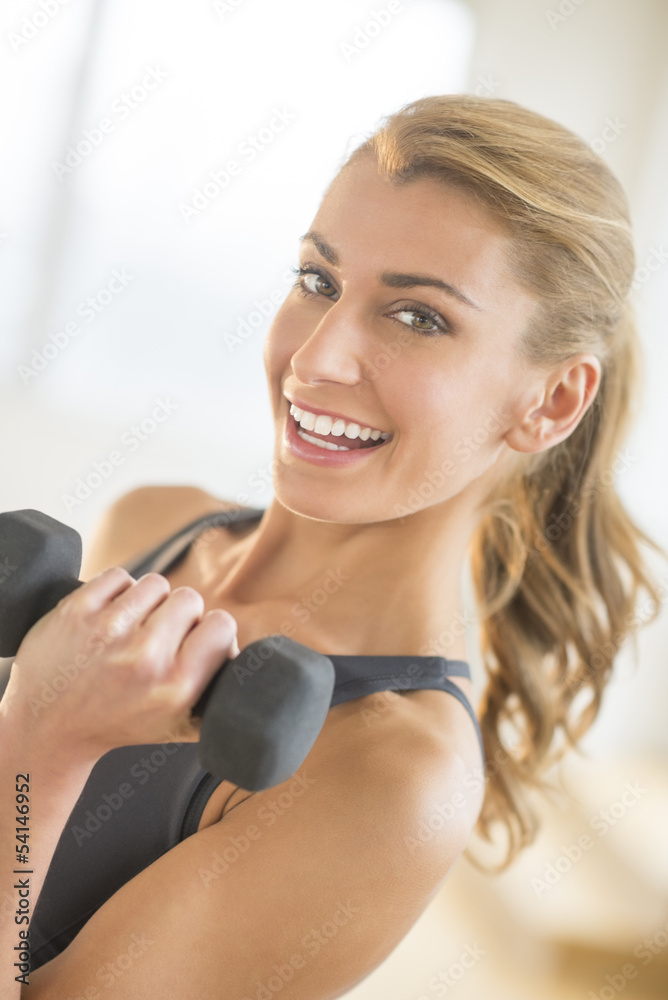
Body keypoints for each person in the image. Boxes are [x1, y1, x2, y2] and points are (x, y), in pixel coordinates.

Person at [1, 94, 665, 998]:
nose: (317, 358)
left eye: (418, 317)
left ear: (549, 403)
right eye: (319, 279)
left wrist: (42, 741)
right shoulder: (152, 525)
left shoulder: (394, 776)